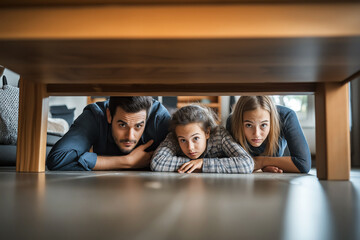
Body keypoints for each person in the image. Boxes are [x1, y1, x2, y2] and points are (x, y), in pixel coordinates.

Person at [46, 96, 171, 171]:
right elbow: (56, 160)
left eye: (139, 126)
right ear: (109, 115)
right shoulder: (95, 116)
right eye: (122, 125)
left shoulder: (158, 118)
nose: (130, 136)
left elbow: (188, 152)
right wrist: (128, 161)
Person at [151, 104, 254, 173]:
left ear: (207, 132)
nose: (190, 148)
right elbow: (157, 162)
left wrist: (203, 163)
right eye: (183, 140)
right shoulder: (173, 137)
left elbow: (246, 163)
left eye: (195, 138)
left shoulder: (219, 135)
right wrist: (194, 164)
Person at [226, 96, 311, 173]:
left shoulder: (286, 116)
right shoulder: (232, 122)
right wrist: (263, 166)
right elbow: (231, 162)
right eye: (249, 125)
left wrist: (261, 162)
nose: (256, 134)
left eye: (263, 125)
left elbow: (303, 164)